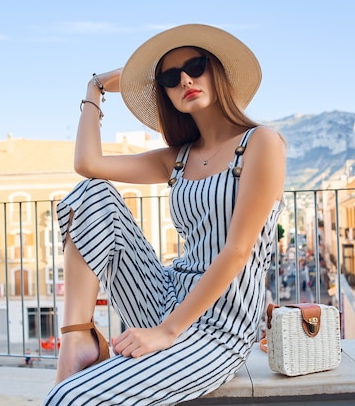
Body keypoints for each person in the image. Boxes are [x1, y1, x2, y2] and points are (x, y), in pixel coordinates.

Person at [43, 24, 286, 406]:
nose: (186, 79)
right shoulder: (179, 158)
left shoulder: (261, 144)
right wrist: (95, 89)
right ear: (166, 94)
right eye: (171, 78)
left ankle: (91, 354)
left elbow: (238, 251)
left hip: (219, 325)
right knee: (91, 193)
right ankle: (77, 338)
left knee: (70, 398)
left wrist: (167, 331)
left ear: (217, 70)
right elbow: (87, 164)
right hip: (164, 294)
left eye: (195, 65)